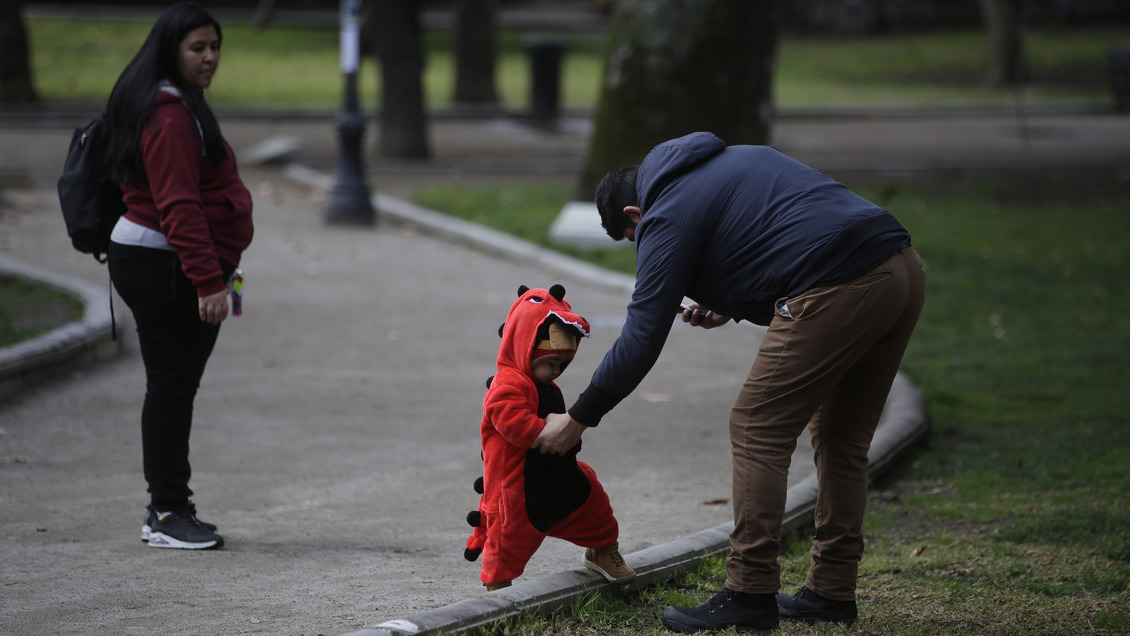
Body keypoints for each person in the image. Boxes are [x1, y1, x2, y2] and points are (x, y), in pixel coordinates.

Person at [532, 132, 925, 633]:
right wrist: (731, 302)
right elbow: (781, 232)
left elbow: (643, 334)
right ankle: (830, 590)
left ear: (634, 214)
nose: (643, 247)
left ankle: (749, 592)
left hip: (839, 282)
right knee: (841, 438)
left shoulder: (664, 211)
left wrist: (578, 417)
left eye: (635, 239)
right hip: (900, 268)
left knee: (756, 426)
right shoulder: (731, 160)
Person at [103, 2, 253, 550]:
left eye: (215, 47)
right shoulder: (168, 117)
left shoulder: (179, 104)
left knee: (174, 388)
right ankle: (165, 513)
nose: (210, 57)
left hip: (170, 261)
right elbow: (178, 206)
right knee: (170, 388)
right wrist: (208, 281)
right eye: (197, 48)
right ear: (172, 51)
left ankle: (170, 507)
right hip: (166, 264)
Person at [464, 285, 636, 590]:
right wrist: (549, 432)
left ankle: (602, 550)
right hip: (519, 486)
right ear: (526, 347)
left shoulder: (544, 385)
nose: (556, 371)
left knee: (595, 507)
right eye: (551, 362)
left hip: (560, 475)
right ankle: (498, 589)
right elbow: (512, 422)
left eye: (562, 364)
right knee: (508, 539)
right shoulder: (508, 385)